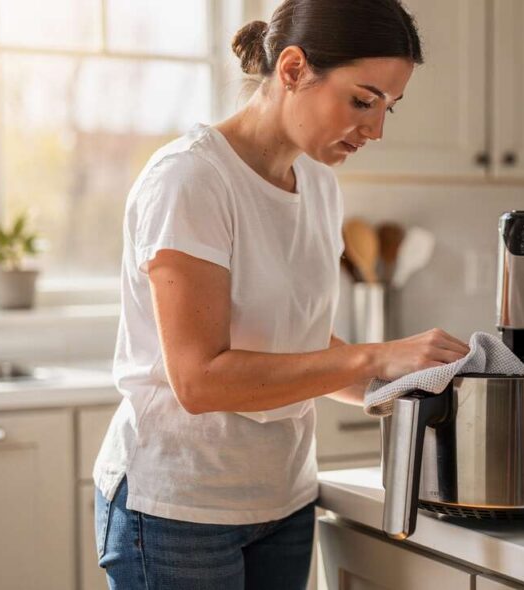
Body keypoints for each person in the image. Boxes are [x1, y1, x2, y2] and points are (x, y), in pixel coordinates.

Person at [92, 1, 470, 588]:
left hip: (285, 500)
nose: (376, 129)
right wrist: (374, 355)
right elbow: (199, 380)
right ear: (292, 69)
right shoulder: (191, 179)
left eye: (388, 108)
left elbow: (301, 346)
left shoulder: (318, 183)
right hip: (178, 512)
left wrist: (409, 384)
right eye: (363, 101)